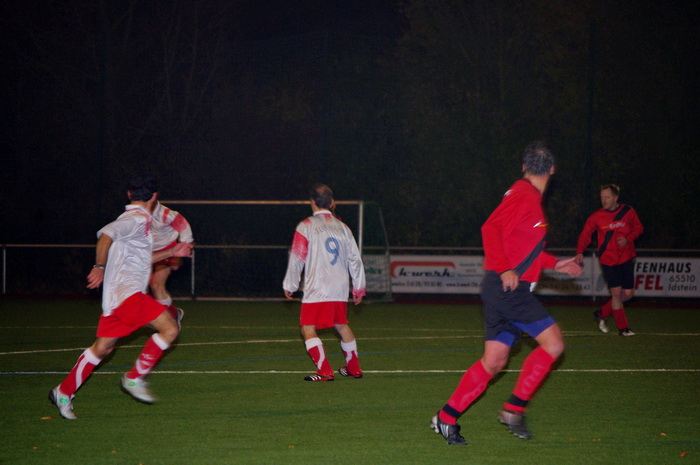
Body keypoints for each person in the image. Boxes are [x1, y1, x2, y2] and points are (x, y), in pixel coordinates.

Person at [431, 141, 583, 445]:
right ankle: (513, 409)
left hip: (501, 289)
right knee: (554, 344)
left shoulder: (528, 198)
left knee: (494, 361)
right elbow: (490, 228)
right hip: (509, 290)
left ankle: (446, 418)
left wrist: (556, 264)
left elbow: (524, 250)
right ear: (552, 169)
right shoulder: (523, 194)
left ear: (524, 166)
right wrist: (503, 269)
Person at [48, 175, 193, 420]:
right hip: (127, 295)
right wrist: (99, 266)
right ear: (154, 196)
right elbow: (106, 235)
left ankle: (63, 391)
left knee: (102, 348)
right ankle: (134, 378)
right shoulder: (135, 219)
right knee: (170, 329)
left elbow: (142, 259)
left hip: (115, 299)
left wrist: (171, 251)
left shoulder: (140, 222)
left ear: (129, 194)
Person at [283, 183, 366, 382]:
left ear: (312, 202)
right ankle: (354, 368)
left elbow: (297, 258)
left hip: (317, 286)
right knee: (341, 325)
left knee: (307, 327)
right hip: (339, 287)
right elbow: (355, 259)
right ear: (332, 203)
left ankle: (325, 370)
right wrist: (359, 287)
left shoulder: (306, 225)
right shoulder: (343, 227)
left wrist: (290, 285)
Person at [575, 184, 643, 336]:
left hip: (627, 257)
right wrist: (579, 251)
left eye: (607, 197)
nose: (604, 200)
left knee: (628, 293)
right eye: (602, 197)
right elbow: (585, 234)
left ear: (615, 198)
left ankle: (602, 312)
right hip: (608, 260)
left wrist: (627, 239)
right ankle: (623, 329)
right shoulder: (596, 216)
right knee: (617, 294)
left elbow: (639, 228)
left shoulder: (628, 211)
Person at [150, 200, 194, 328]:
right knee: (138, 289)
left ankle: (167, 323)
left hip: (167, 250)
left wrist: (181, 253)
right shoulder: (135, 213)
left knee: (156, 284)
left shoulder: (166, 214)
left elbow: (185, 229)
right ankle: (174, 313)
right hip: (146, 252)